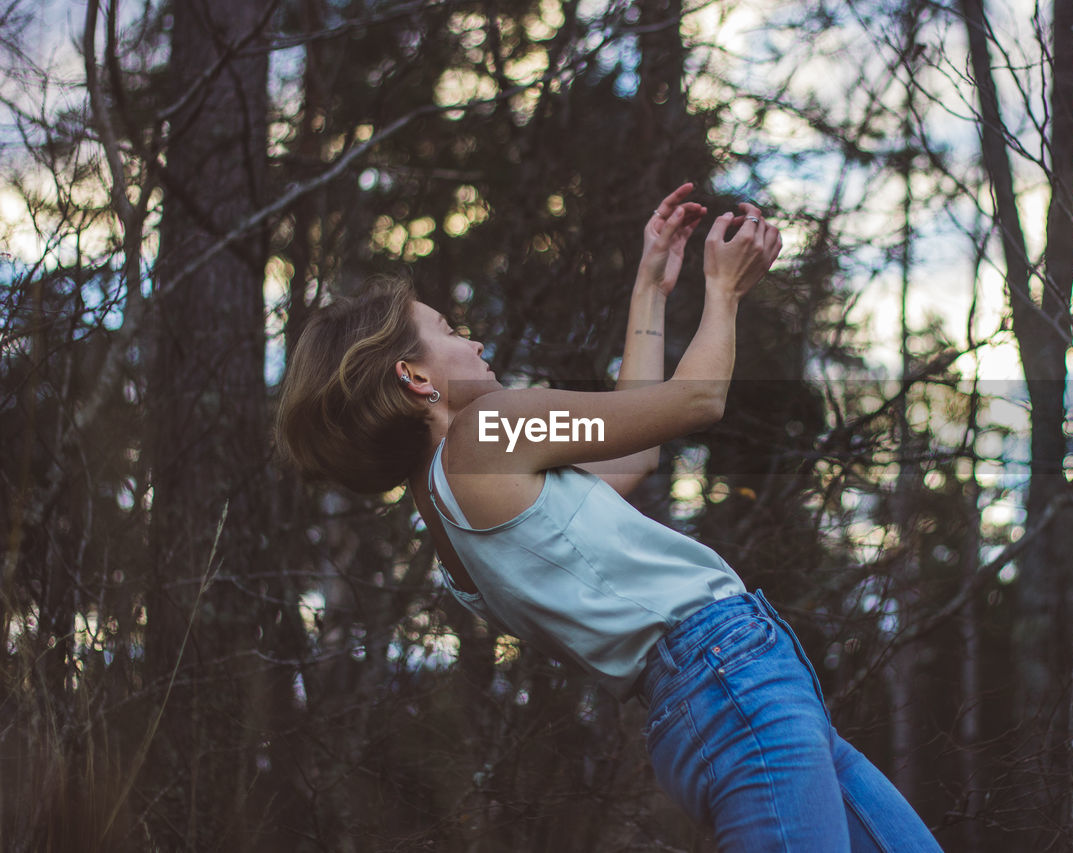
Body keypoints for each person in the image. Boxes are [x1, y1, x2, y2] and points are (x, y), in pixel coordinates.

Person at [277, 184, 944, 852]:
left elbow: (634, 455)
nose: (476, 341)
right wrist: (725, 291)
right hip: (730, 679)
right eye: (450, 333)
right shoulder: (489, 431)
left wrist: (650, 285)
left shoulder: (451, 510)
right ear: (416, 379)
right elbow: (699, 401)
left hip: (710, 699)